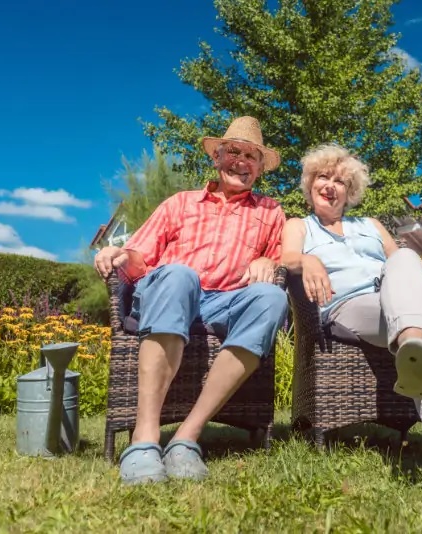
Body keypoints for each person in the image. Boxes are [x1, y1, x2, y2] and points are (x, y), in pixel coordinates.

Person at [279, 143, 422, 499]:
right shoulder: (299, 226)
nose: (330, 185)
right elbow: (287, 257)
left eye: (340, 181)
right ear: (310, 185)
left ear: (350, 192)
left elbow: (398, 262)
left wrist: (420, 270)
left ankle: (412, 343)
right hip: (346, 307)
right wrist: (308, 261)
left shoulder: (369, 225)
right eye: (323, 177)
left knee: (406, 259)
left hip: (393, 304)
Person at [94, 116, 289, 485]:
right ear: (217, 156)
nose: (241, 161)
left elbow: (284, 258)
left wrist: (269, 260)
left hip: (225, 303)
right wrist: (119, 253)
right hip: (170, 292)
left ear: (260, 168)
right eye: (234, 151)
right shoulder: (180, 203)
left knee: (271, 297)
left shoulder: (271, 212)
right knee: (182, 273)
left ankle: (187, 436)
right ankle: (144, 439)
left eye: (252, 156)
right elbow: (140, 256)